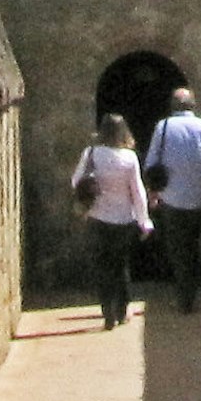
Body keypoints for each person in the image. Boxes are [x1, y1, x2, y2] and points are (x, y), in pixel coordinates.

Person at [141, 87, 201, 313]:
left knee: (177, 247)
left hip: (171, 197)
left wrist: (153, 193)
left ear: (172, 106)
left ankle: (184, 297)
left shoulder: (163, 127)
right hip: (199, 197)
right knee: (192, 244)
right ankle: (190, 292)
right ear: (192, 105)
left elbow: (151, 163)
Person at [69, 113, 152, 330]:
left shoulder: (92, 153)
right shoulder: (129, 157)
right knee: (120, 265)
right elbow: (137, 192)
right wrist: (144, 221)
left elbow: (76, 181)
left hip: (98, 216)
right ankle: (122, 310)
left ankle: (107, 313)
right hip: (124, 219)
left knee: (103, 266)